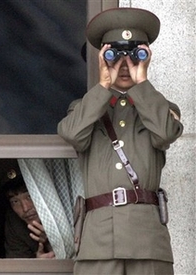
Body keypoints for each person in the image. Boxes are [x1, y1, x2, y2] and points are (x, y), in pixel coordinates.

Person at [57, 8, 183, 275]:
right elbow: (72, 134)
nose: (124, 65)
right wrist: (103, 84)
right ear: (103, 60)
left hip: (147, 243)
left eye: (133, 57)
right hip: (98, 243)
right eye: (115, 58)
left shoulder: (160, 108)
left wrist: (142, 81)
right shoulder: (84, 109)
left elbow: (166, 133)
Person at [2, 170, 55, 259]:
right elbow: (17, 266)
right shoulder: (15, 223)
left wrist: (53, 240)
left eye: (29, 196)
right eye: (15, 201)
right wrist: (37, 266)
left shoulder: (66, 213)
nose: (25, 208)